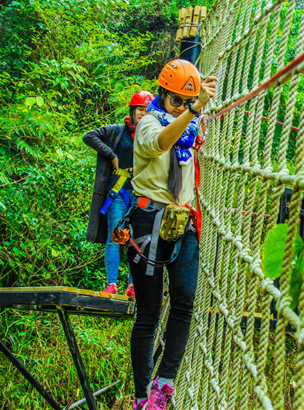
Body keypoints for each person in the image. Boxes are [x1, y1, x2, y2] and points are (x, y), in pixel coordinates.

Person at [127, 59, 217, 410]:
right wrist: (192, 110)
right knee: (149, 311)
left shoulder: (190, 128)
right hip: (148, 220)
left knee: (185, 299)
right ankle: (139, 396)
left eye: (185, 101)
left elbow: (187, 141)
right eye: (174, 100)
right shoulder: (149, 123)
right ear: (162, 95)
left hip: (183, 221)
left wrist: (197, 112)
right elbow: (162, 143)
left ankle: (163, 386)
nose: (179, 106)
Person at [83, 90, 154, 297]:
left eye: (147, 110)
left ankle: (133, 286)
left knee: (136, 239)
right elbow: (90, 136)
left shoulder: (151, 135)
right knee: (114, 237)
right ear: (133, 110)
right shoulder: (118, 131)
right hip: (119, 191)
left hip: (141, 193)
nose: (143, 113)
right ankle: (111, 283)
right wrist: (110, 154)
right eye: (140, 109)